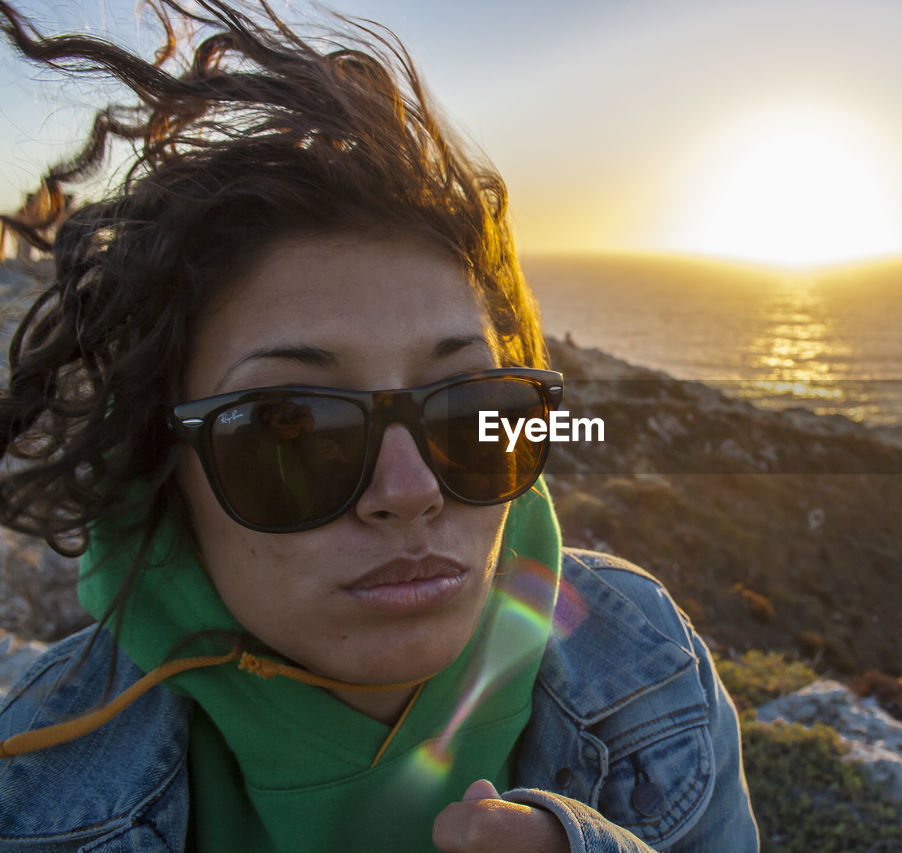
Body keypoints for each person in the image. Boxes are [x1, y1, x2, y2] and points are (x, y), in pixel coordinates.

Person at [0, 1, 758, 850]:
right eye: (290, 425)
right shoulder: (30, 797)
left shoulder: (645, 662)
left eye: (468, 406)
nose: (411, 492)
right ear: (161, 462)